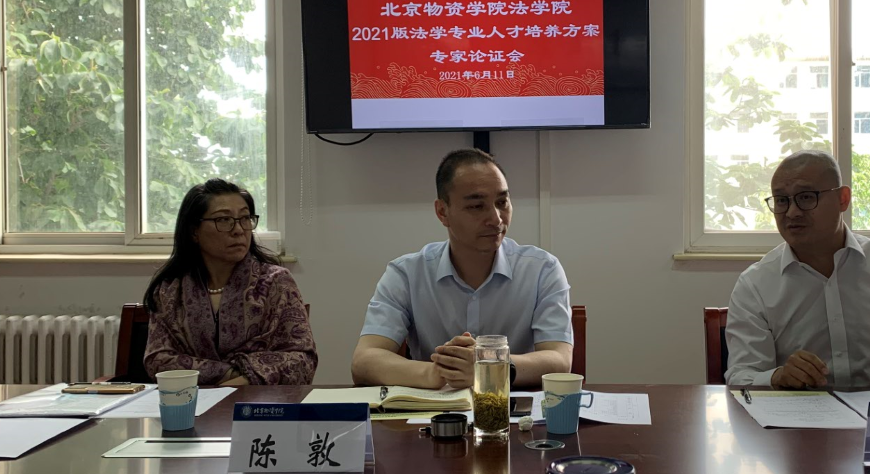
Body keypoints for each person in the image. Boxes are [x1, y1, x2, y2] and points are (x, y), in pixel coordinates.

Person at [724, 150, 870, 388]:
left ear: (843, 199)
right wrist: (777, 377)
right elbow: (741, 376)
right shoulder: (755, 285)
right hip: (799, 411)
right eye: (781, 200)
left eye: (806, 197)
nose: (792, 212)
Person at [352, 149, 573, 389]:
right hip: (435, 409)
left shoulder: (542, 269)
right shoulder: (406, 274)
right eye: (477, 206)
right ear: (442, 212)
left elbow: (559, 360)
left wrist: (490, 367)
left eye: (502, 202)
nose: (496, 219)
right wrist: (435, 372)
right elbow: (365, 360)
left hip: (514, 409)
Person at [143, 179, 317, 385]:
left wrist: (243, 382)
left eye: (245, 218)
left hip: (258, 401)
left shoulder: (275, 282)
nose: (239, 229)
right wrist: (233, 374)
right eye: (224, 220)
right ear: (194, 231)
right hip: (190, 400)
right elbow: (159, 360)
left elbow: (302, 360)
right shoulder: (171, 289)